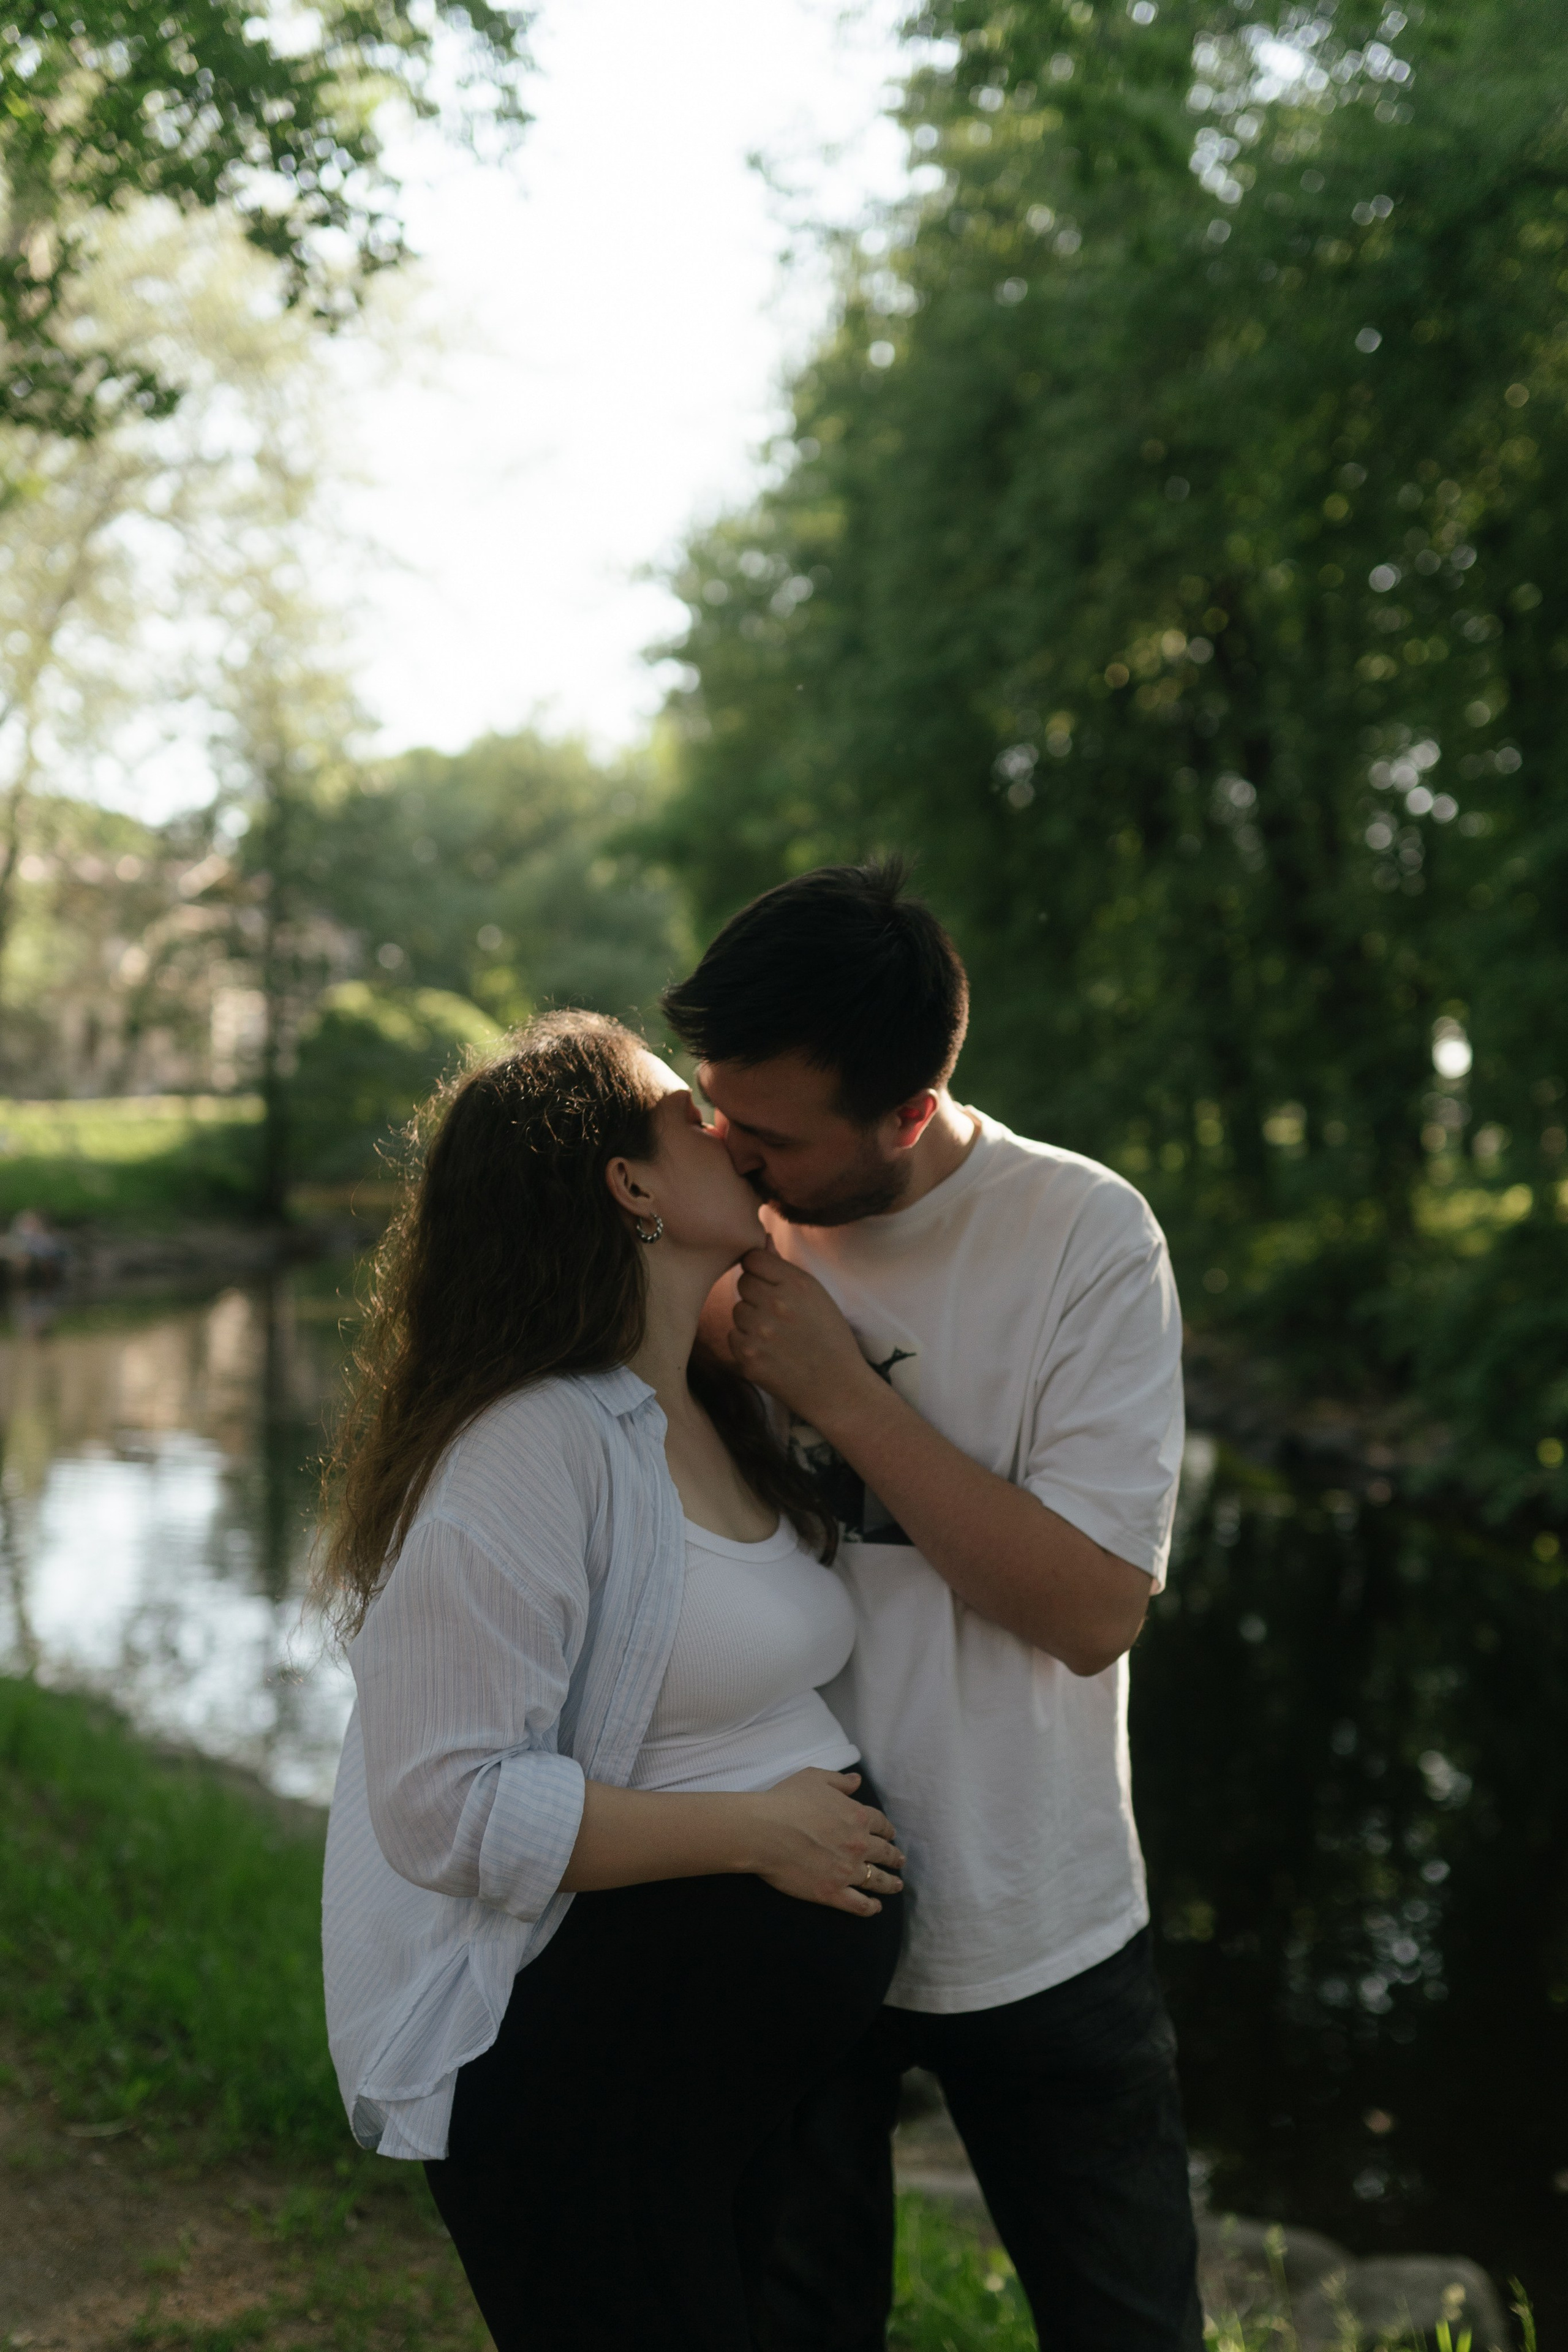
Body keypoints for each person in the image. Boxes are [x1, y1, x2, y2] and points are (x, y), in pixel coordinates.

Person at [661, 860, 1202, 2352]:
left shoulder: (1085, 1239)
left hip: (1042, 1914)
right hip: (780, 1887)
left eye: (770, 1136)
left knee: (1125, 2325)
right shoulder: (724, 1220)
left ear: (903, 1113)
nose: (732, 1156)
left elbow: (1093, 1611)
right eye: (717, 1114)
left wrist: (838, 1392)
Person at [316, 1009, 907, 2352]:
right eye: (680, 1114)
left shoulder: (701, 1393)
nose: (723, 1127)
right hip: (579, 2095)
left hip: (703, 2085)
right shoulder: (532, 1443)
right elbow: (444, 1807)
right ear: (629, 1187)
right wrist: (756, 1831)